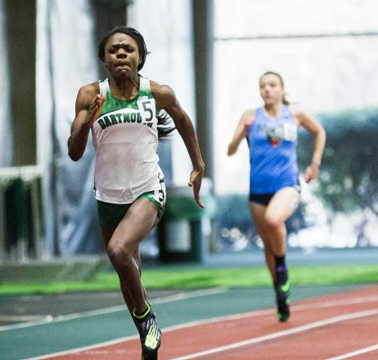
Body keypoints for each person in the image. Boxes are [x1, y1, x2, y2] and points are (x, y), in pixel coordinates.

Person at [68, 27, 205, 359]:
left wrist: (199, 165)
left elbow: (183, 120)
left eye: (127, 49)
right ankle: (149, 341)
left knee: (118, 251)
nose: (120, 53)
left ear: (139, 56)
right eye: (113, 49)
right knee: (129, 271)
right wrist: (87, 121)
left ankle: (146, 319)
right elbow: (74, 152)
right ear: (104, 59)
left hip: (147, 189)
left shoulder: (157, 93)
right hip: (107, 196)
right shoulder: (89, 95)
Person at [227, 71, 326, 322]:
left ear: (282, 88)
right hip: (258, 189)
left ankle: (282, 270)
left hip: (287, 184)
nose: (267, 90)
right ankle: (281, 295)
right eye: (263, 86)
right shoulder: (251, 116)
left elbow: (319, 132)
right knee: (268, 245)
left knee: (274, 220)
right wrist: (242, 132)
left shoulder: (294, 114)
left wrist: (314, 164)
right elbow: (230, 150)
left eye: (272, 85)